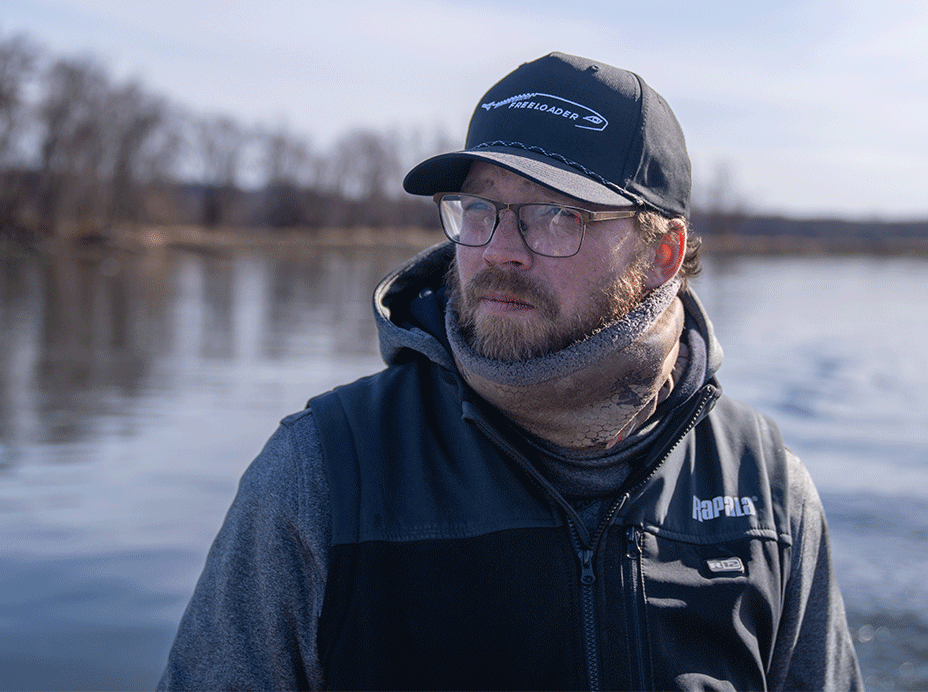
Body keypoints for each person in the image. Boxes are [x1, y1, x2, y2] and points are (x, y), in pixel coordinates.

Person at [159, 52, 863, 691]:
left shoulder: (767, 494)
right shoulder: (324, 474)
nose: (499, 251)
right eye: (481, 209)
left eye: (555, 215)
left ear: (664, 255)